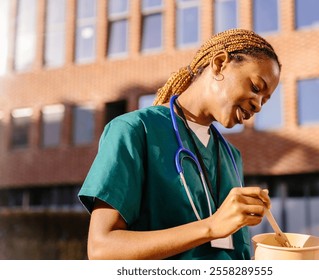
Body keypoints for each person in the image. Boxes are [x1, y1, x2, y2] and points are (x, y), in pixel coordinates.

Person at [78, 28, 281, 260]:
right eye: (256, 87)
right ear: (219, 63)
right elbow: (102, 250)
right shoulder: (135, 130)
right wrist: (212, 226)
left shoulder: (232, 156)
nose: (258, 106)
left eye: (265, 101)